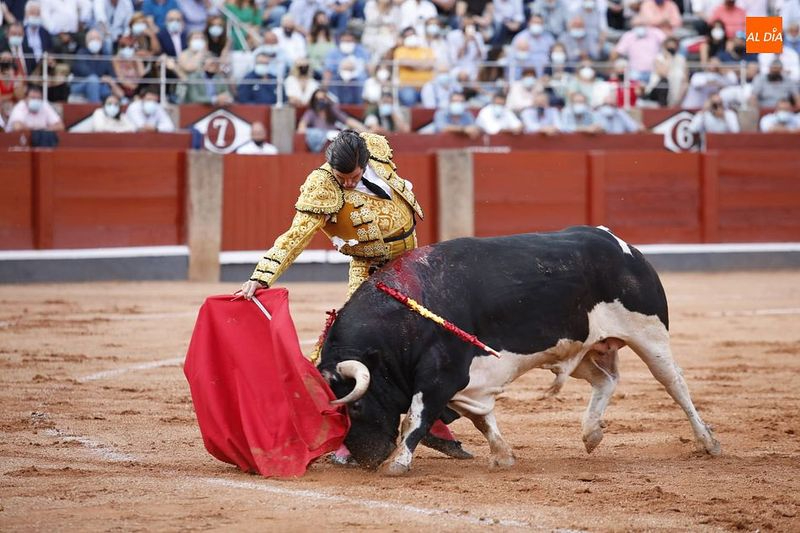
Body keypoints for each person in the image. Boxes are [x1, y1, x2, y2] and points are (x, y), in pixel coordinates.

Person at [238, 130, 473, 463]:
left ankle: (432, 423)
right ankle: (345, 437)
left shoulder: (375, 150)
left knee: (432, 346)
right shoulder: (323, 187)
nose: (347, 183)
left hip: (412, 267)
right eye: (341, 177)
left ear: (366, 162)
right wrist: (261, 276)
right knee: (354, 352)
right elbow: (294, 238)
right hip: (371, 273)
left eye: (353, 176)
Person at [71, 29, 121, 103]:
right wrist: (101, 78)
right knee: (93, 80)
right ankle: (95, 107)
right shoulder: (81, 53)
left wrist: (109, 79)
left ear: (101, 41)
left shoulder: (105, 55)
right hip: (79, 85)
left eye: (97, 39)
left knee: (106, 89)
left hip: (100, 85)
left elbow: (112, 75)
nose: (95, 41)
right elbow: (85, 72)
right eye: (92, 39)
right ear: (86, 42)